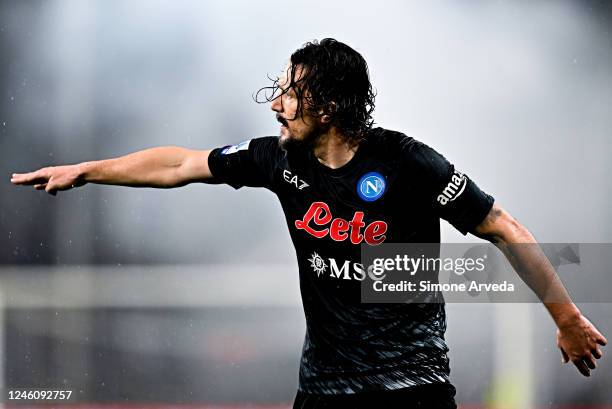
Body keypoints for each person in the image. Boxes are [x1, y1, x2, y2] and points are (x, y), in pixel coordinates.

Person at [11, 38, 607, 409]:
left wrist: (566, 316)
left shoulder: (410, 163)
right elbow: (181, 163)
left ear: (329, 107)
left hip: (413, 390)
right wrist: (89, 170)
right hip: (325, 390)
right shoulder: (277, 158)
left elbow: (502, 227)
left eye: (291, 93)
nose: (276, 103)